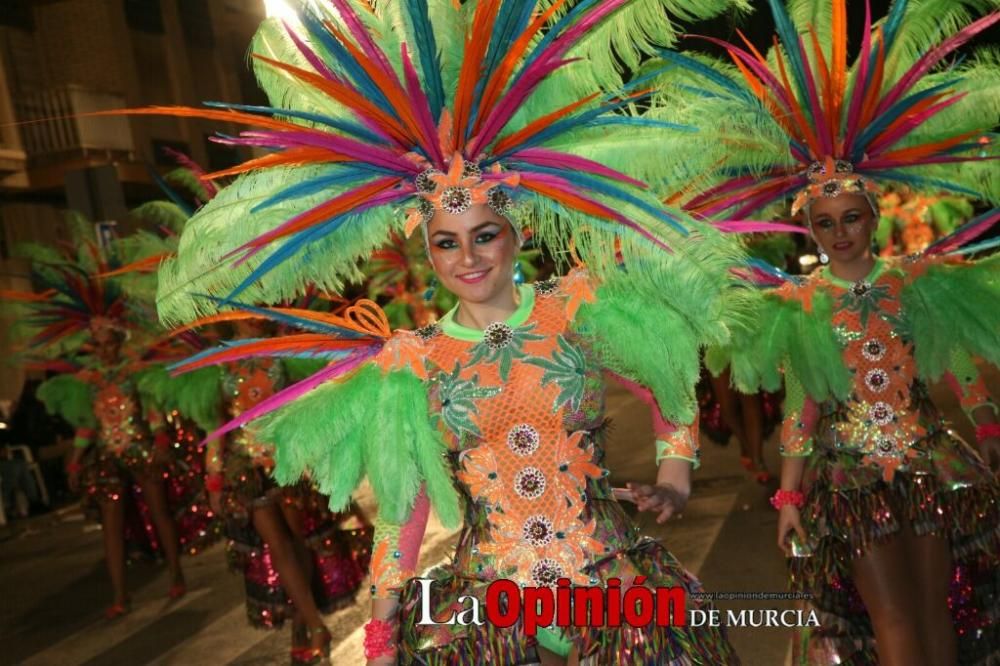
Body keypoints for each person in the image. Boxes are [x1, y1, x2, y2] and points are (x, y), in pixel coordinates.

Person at [133, 1, 762, 662]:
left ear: (515, 232)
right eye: (447, 242)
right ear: (427, 250)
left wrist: (675, 474)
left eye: (484, 235)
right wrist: (381, 631)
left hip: (604, 570)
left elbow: (669, 387)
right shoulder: (413, 361)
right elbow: (400, 509)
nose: (468, 257)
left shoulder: (574, 312)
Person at [662, 1, 1000, 662]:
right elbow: (803, 404)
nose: (841, 232)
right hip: (848, 478)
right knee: (892, 617)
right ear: (810, 228)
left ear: (872, 215)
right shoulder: (804, 304)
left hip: (929, 463)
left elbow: (957, 361)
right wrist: (790, 495)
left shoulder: (915, 281)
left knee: (938, 613)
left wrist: (988, 434)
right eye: (826, 222)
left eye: (852, 216)